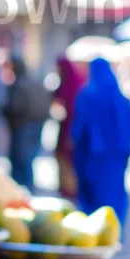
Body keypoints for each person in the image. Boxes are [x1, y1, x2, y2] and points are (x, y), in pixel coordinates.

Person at [72, 58, 130, 228]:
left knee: (94, 194)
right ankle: (115, 231)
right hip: (117, 156)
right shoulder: (120, 97)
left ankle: (96, 232)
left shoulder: (88, 94)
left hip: (93, 156)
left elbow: (79, 129)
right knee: (115, 192)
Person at [4, 56, 51, 191]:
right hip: (37, 124)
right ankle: (26, 186)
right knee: (28, 158)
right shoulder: (34, 82)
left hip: (24, 125)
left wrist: (5, 112)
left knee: (21, 159)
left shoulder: (19, 84)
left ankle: (23, 189)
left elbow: (16, 106)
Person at [53, 57, 85, 199]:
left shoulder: (77, 85)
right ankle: (66, 187)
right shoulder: (68, 82)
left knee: (67, 156)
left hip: (71, 128)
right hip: (67, 126)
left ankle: (70, 188)